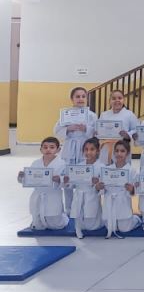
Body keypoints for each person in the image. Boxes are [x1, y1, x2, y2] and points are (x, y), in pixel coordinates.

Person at [54, 86, 97, 216]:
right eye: (77, 96)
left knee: (84, 177)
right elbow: (56, 130)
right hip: (70, 147)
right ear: (72, 99)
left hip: (85, 147)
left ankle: (84, 207)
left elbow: (97, 131)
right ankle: (69, 209)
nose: (80, 99)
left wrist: (86, 129)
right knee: (68, 178)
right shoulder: (66, 114)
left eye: (83, 96)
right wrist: (68, 128)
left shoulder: (91, 115)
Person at [18, 137, 68, 231]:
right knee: (38, 226)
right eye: (45, 147)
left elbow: (67, 181)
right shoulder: (36, 163)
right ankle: (37, 221)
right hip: (38, 195)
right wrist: (22, 177)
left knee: (56, 225)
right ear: (41, 149)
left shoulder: (62, 164)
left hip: (53, 195)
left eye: (52, 147)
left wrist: (59, 179)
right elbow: (29, 180)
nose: (48, 149)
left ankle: (63, 218)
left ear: (58, 150)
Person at [100, 140, 141, 237]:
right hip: (109, 201)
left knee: (124, 229)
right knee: (111, 228)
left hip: (123, 202)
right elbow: (102, 190)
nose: (119, 154)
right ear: (114, 153)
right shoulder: (107, 170)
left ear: (127, 153)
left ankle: (136, 219)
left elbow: (135, 190)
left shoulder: (131, 170)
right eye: (117, 151)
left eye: (122, 151)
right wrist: (100, 187)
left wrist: (132, 189)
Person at [65, 138, 104, 238]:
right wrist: (67, 181)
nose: (88, 152)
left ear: (98, 151)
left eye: (92, 149)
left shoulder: (101, 167)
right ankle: (78, 225)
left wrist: (98, 185)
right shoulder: (78, 166)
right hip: (78, 196)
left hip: (91, 196)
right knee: (80, 224)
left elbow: (103, 188)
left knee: (92, 226)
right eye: (86, 149)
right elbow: (71, 185)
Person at [97, 89, 138, 164]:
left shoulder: (129, 114)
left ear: (123, 100)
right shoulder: (104, 114)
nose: (117, 100)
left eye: (120, 98)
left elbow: (136, 129)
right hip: (106, 148)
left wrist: (128, 134)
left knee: (121, 168)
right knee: (105, 168)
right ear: (110, 101)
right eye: (113, 98)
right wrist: (98, 133)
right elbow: (99, 130)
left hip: (122, 148)